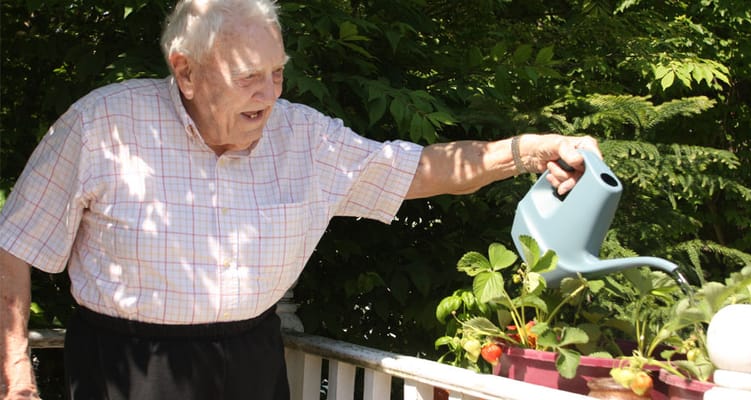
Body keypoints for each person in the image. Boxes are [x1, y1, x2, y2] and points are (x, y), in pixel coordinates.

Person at [0, 0, 601, 399]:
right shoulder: (102, 124)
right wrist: (15, 374)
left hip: (253, 364)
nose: (268, 93)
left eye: (278, 72)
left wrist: (527, 149)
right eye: (248, 76)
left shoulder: (305, 137)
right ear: (186, 71)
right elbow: (15, 243)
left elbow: (419, 170)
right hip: (125, 369)